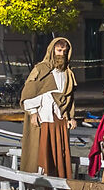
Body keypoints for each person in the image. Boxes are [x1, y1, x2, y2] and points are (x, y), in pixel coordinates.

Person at [19, 37, 76, 178]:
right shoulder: (40, 69)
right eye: (59, 50)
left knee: (60, 153)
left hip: (60, 119)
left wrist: (71, 117)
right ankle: (41, 187)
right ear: (52, 50)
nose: (61, 53)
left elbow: (69, 98)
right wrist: (33, 112)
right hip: (44, 119)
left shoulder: (68, 73)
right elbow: (28, 94)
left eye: (64, 51)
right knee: (42, 152)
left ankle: (60, 185)